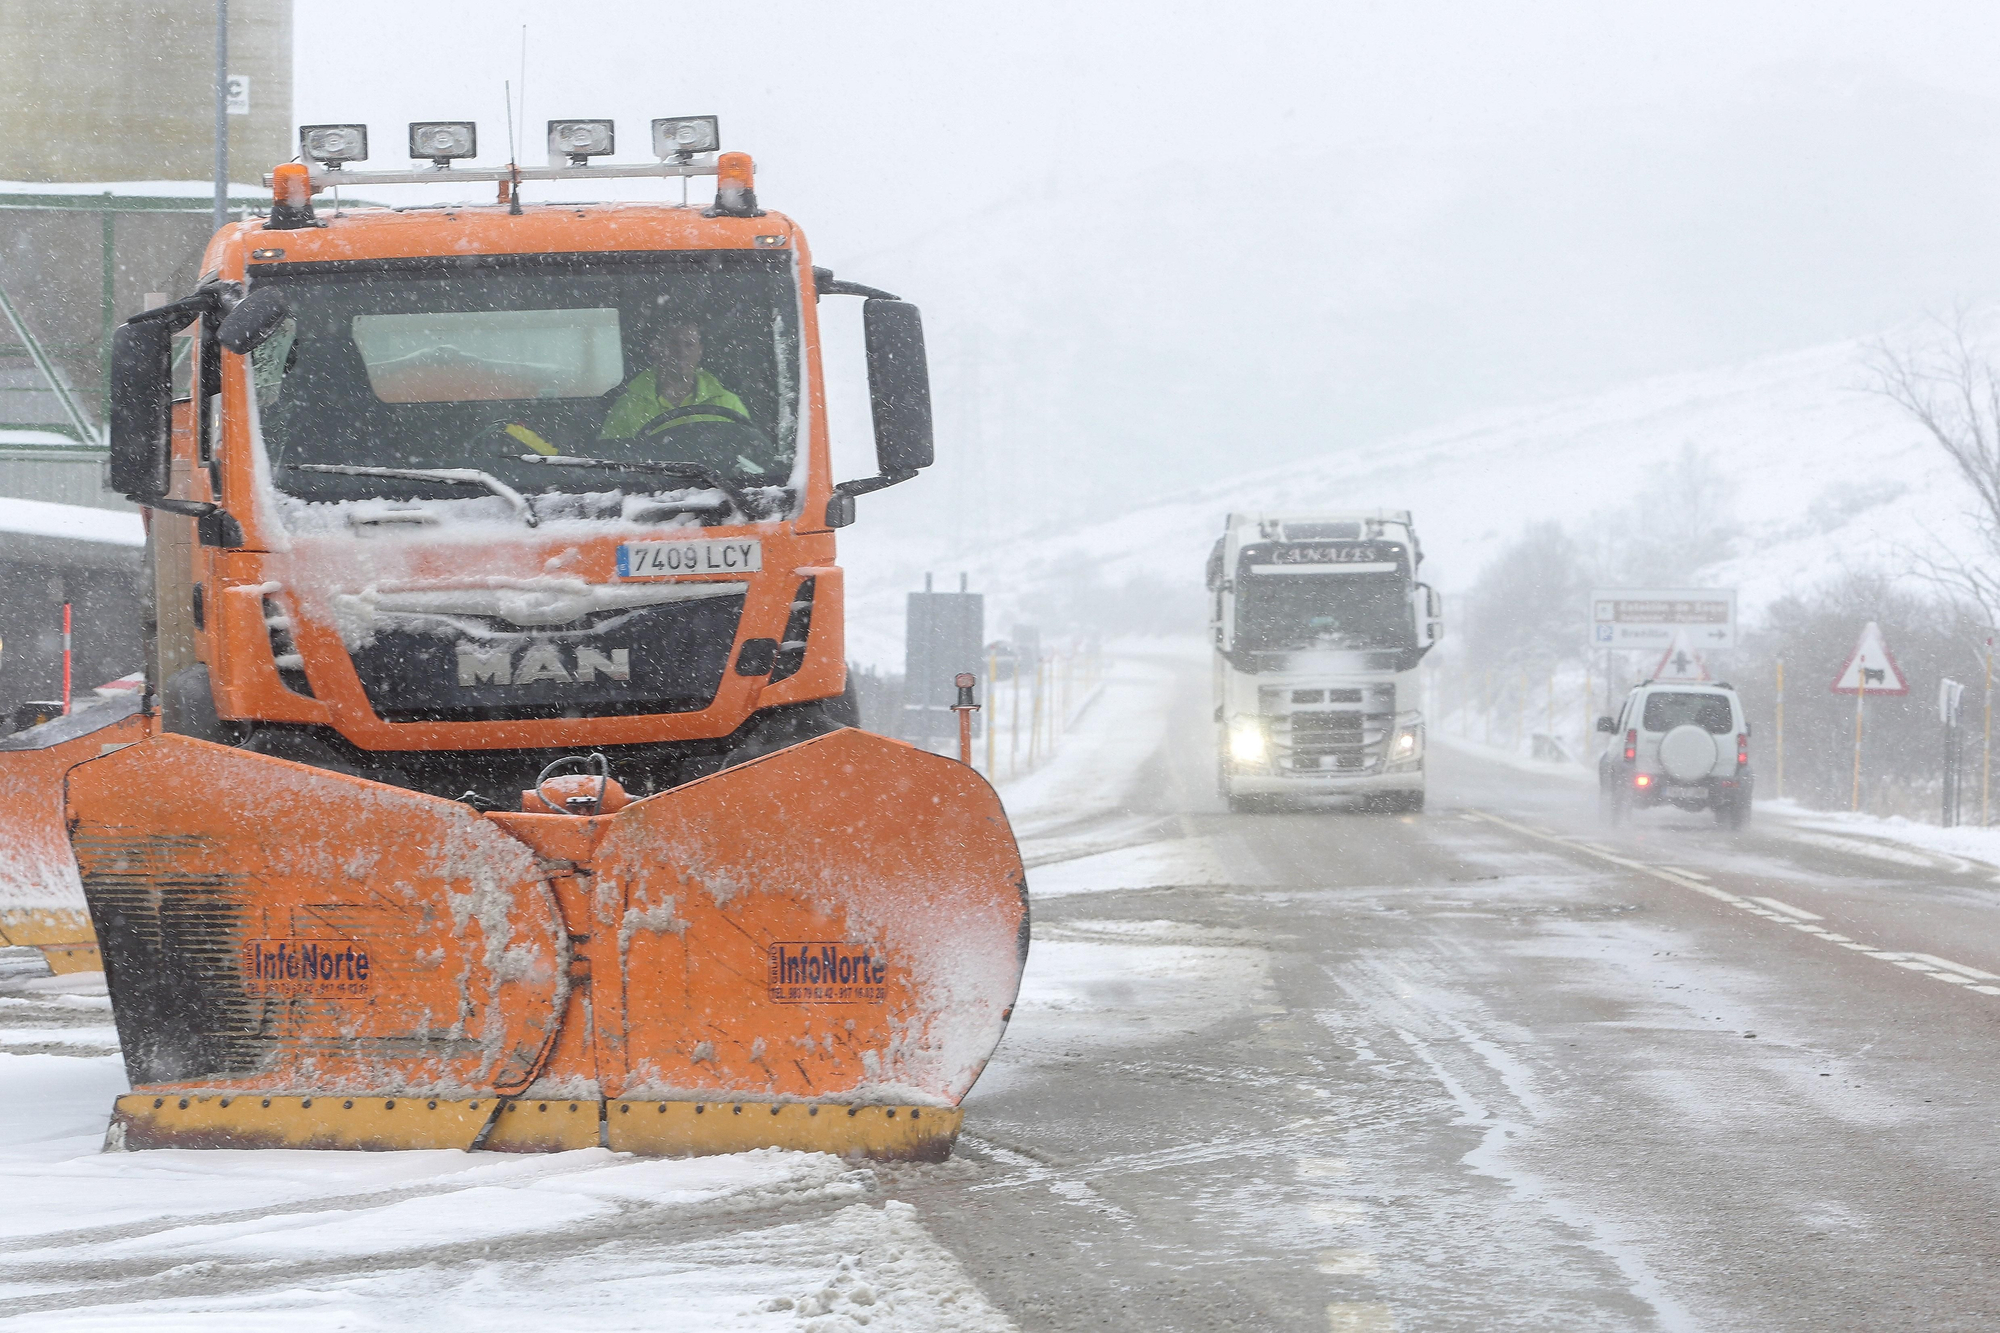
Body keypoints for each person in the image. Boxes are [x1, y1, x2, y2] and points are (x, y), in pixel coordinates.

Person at [599, 319, 749, 441]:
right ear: (656, 349)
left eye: (689, 344)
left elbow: (751, 458)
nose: (681, 352)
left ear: (700, 351)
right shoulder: (628, 407)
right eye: (673, 343)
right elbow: (610, 466)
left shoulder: (729, 404)